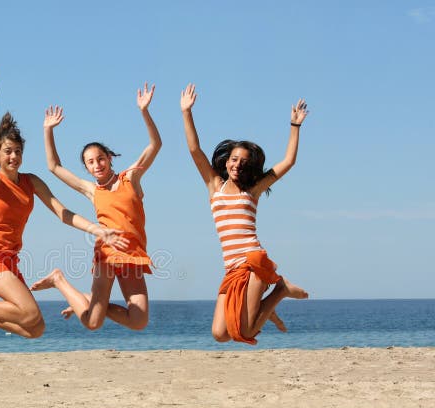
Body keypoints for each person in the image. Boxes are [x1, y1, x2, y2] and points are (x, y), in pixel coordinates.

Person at [0, 71, 126, 345]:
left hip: (9, 260)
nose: (13, 157)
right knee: (28, 311)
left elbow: (62, 212)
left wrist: (98, 230)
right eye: (8, 152)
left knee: (35, 328)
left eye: (18, 151)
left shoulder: (31, 181)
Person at [179, 83, 309, 344]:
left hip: (253, 262)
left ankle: (279, 291)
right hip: (231, 268)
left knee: (246, 332)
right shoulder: (214, 185)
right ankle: (263, 306)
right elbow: (195, 150)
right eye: (235, 159)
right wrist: (186, 112)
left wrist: (295, 127)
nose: (238, 164)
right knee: (220, 334)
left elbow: (288, 162)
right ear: (227, 162)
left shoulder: (253, 189)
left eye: (244, 161)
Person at [30, 83, 162, 332]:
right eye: (90, 162)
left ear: (109, 158)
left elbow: (155, 145)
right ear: (88, 168)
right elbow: (54, 166)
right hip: (108, 255)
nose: (96, 164)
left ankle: (91, 299)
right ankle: (59, 280)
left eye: (100, 159)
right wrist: (48, 130)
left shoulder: (129, 179)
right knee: (92, 322)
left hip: (133, 254)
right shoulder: (92, 190)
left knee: (139, 320)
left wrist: (144, 111)